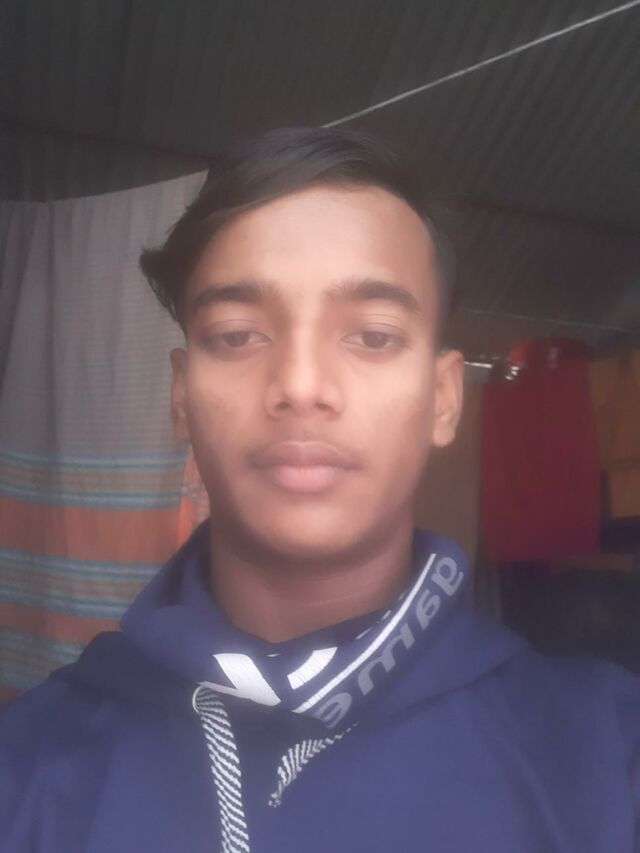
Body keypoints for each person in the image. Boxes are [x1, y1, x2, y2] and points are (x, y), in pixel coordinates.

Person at [0, 127, 638, 853]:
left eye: (372, 335)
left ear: (444, 398)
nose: (301, 385)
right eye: (237, 334)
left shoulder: (603, 756)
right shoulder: (27, 766)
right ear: (180, 395)